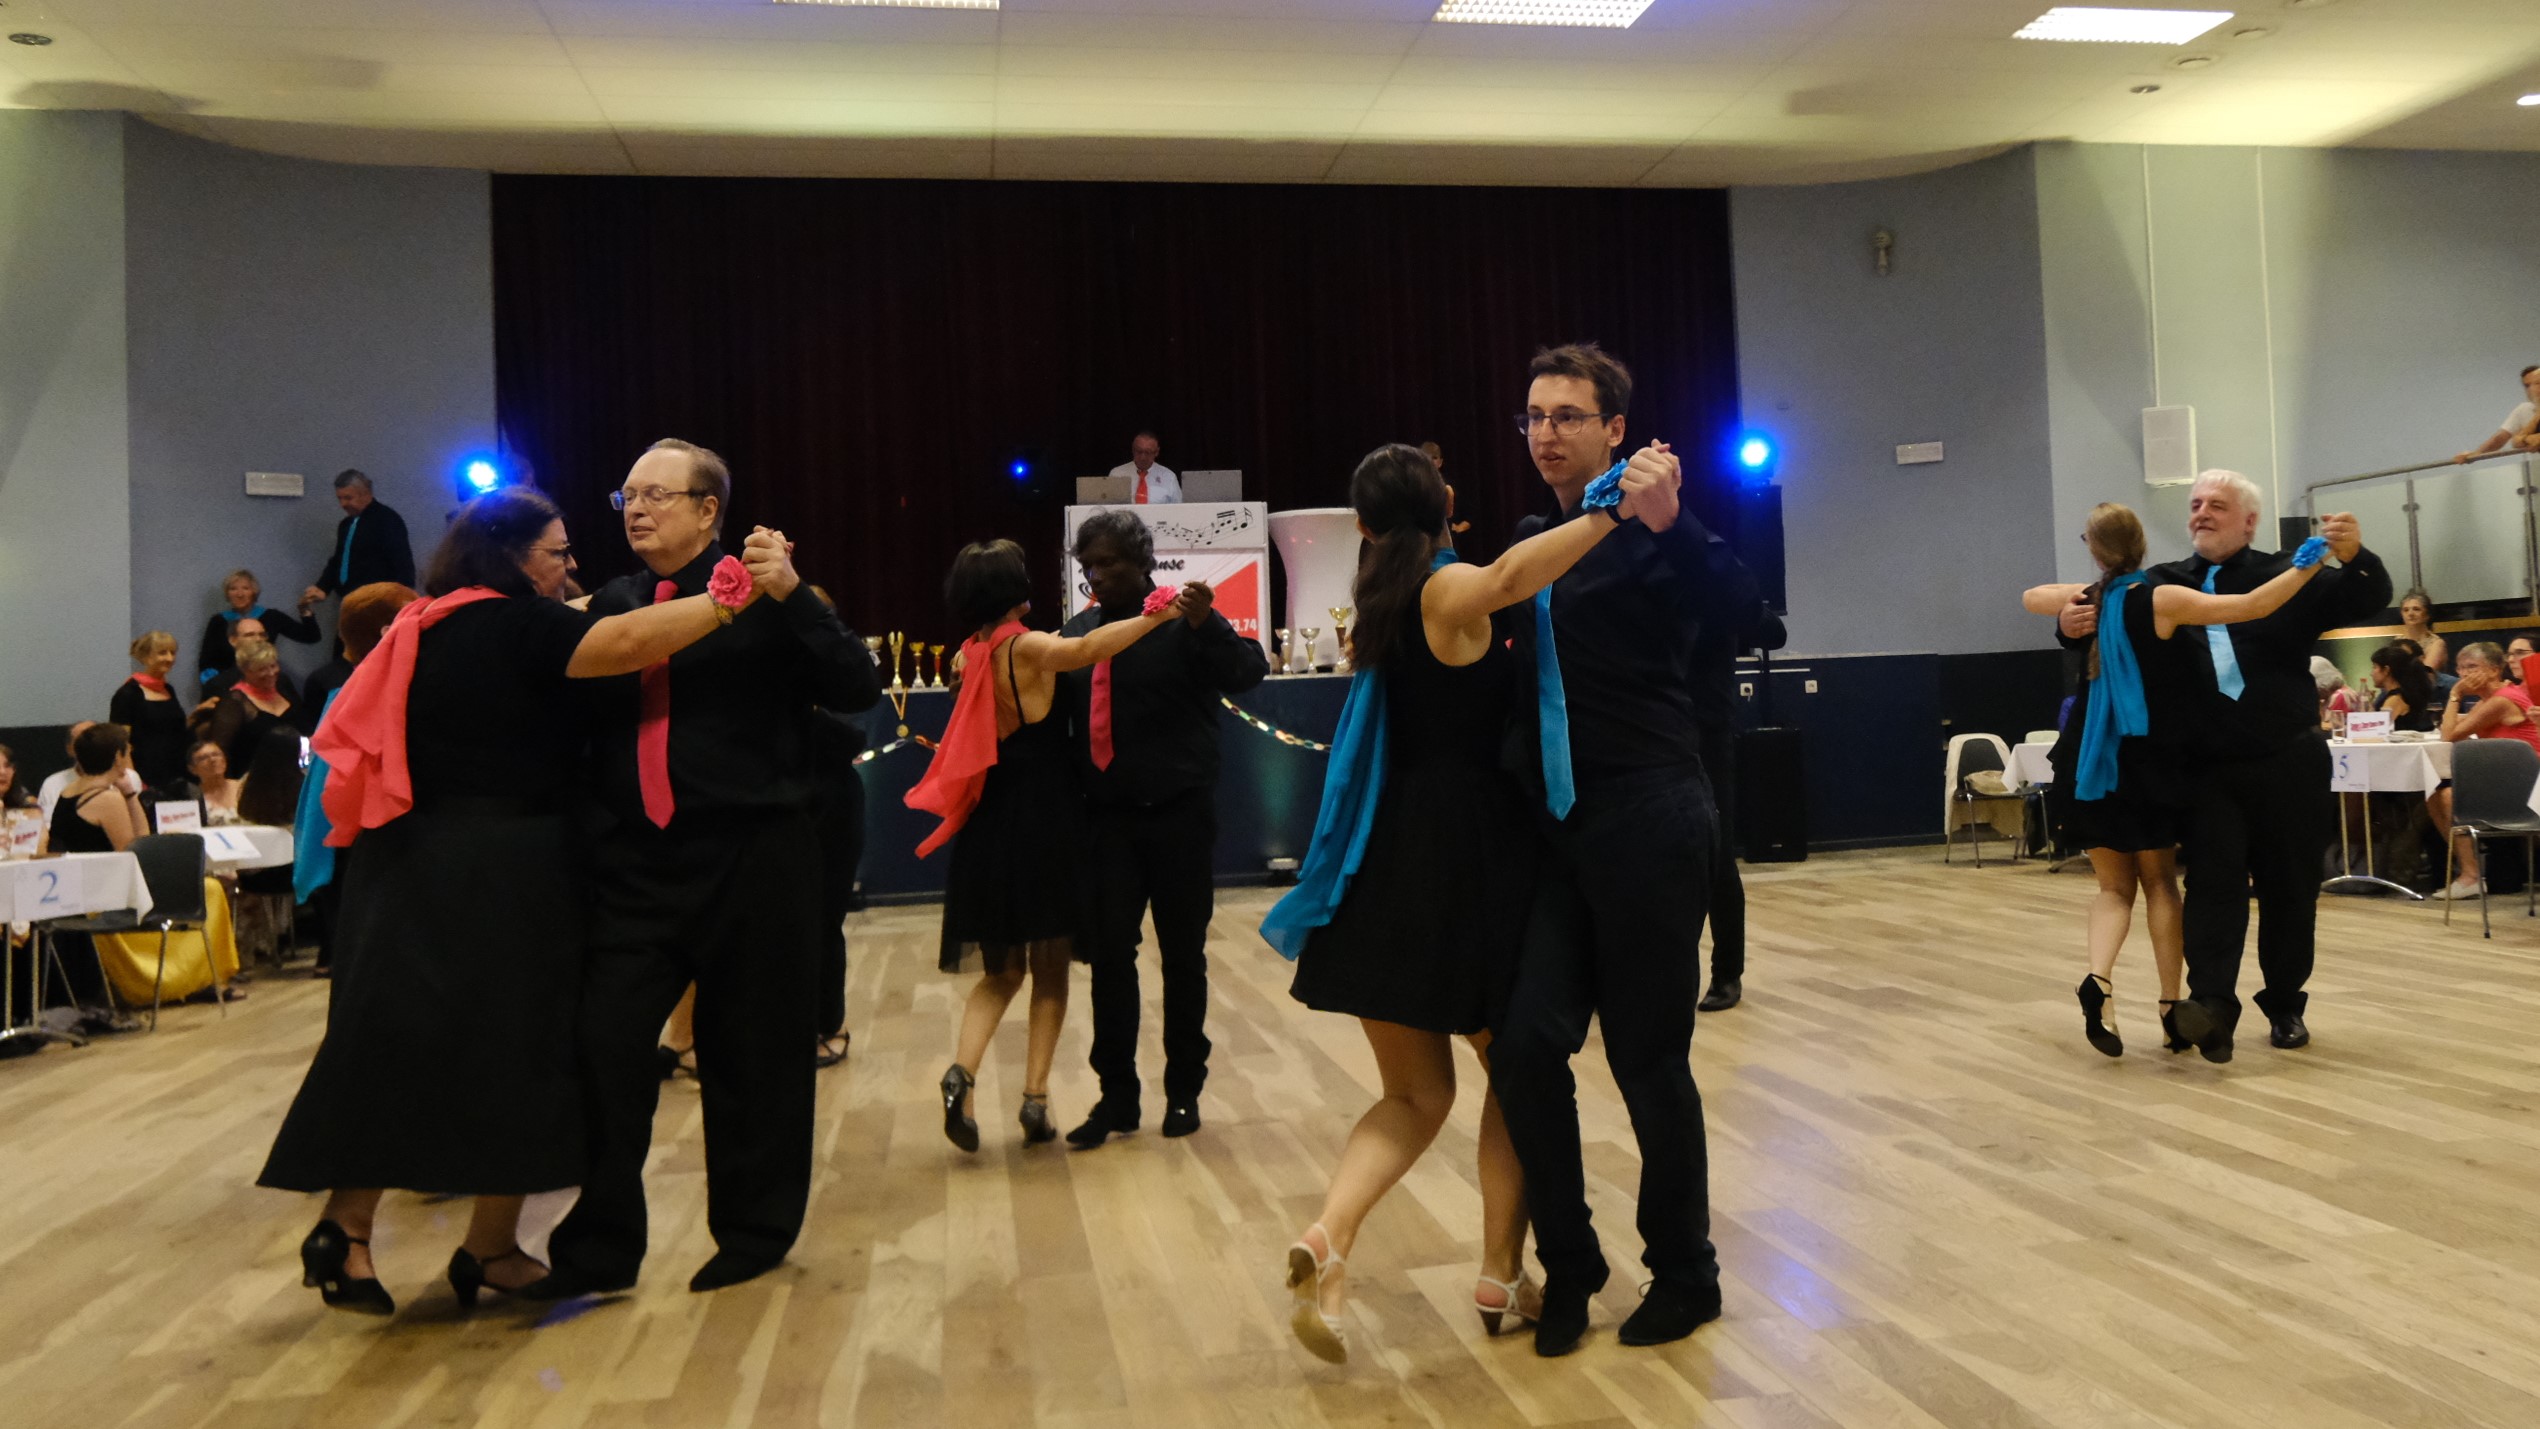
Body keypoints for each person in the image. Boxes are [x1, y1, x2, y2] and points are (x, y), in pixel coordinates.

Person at [258, 484, 759, 1318]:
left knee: (394, 1045)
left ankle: (348, 1230)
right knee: (529, 1048)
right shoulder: (522, 624)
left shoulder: (425, 623)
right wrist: (732, 596)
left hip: (402, 863)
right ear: (514, 557)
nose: (570, 564)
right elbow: (627, 639)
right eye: (558, 551)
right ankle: (488, 1244)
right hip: (505, 866)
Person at [1261, 443, 1660, 1364]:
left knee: (1413, 1094)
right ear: (1444, 501)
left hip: (1384, 863)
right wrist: (1607, 509)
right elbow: (1513, 576)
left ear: (1364, 527)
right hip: (1465, 862)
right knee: (1510, 1071)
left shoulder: (1379, 605)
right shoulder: (1442, 589)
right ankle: (1497, 1269)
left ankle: (1330, 1233)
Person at [535, 438, 880, 1300]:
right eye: (627, 495)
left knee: (754, 1055)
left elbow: (856, 686)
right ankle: (599, 1247)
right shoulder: (614, 603)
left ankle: (755, 1232)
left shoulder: (771, 596)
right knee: (603, 1045)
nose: (637, 509)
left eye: (657, 494)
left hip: (754, 856)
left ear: (708, 510)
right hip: (634, 864)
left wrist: (794, 594)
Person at [1488, 342, 1728, 1357]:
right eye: (1533, 416)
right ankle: (1572, 1260)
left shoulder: (1653, 532)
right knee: (1524, 1043)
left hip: (1649, 815)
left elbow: (1744, 612)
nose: (1545, 433)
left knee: (1646, 1058)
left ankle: (1686, 1271)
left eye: (1567, 416)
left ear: (1614, 429)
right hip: (1556, 827)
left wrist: (1672, 525)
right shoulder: (1532, 539)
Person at [2056, 470, 2389, 1060]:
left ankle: (2284, 1004)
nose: (2201, 513)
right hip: (2208, 766)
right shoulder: (2165, 582)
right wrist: (2065, 625)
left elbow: (2366, 596)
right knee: (2212, 887)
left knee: (2290, 888)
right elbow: (2097, 610)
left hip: (2287, 756)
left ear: (2250, 520)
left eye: (2216, 505)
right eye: (2195, 504)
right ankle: (2211, 1009)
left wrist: (2356, 555)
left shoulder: (2290, 573)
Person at [2021, 502, 2324, 1059]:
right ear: (2142, 544)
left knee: (2112, 890)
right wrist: (2309, 563)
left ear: (2094, 549)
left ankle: (2098, 980)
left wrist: (2066, 613)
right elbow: (2253, 605)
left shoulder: (2095, 597)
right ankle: (2168, 1009)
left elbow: (2031, 596)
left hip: (2090, 762)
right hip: (2148, 764)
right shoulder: (2161, 597)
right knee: (2160, 885)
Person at [911, 540, 1185, 1152]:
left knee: (1000, 973)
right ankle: (1035, 1099)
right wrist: (1156, 615)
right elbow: (1087, 649)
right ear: (1014, 588)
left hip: (989, 823)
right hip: (1046, 819)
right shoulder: (1026, 647)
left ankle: (962, 1073)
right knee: (1051, 971)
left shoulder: (969, 654)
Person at [1057, 510, 1271, 1147]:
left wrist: (1209, 624)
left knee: (1182, 958)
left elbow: (1248, 671)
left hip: (1180, 818)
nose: (1098, 576)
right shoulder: (1079, 634)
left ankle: (1184, 1092)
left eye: (1110, 563)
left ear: (1144, 561)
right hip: (1107, 823)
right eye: (1088, 566)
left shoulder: (1184, 621)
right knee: (1110, 962)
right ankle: (1116, 1098)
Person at [292, 583, 422, 979]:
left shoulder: (385, 684)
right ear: (388, 630)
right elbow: (330, 771)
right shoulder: (351, 691)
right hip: (365, 834)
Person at [806, 585, 866, 1068]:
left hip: (832, 805)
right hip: (787, 806)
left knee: (825, 920)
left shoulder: (842, 669)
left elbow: (852, 735)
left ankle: (830, 1024)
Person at [2430, 641, 2540, 901]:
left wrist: (2455, 694)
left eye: (2472, 667)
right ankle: (2469, 869)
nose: (2464, 674)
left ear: (2494, 670)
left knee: (2448, 796)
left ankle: (2470, 875)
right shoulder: (2486, 701)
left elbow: (2448, 735)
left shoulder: (2502, 700)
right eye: (2460, 668)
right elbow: (2451, 727)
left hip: (2528, 785)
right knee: (2434, 795)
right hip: (2505, 779)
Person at [300, 469, 417, 613]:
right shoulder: (346, 525)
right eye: (339, 498)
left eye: (348, 498)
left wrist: (404, 598)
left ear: (366, 494)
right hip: (350, 601)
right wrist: (323, 587)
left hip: (378, 603)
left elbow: (402, 561)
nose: (343, 504)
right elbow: (339, 560)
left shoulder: (387, 520)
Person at [198, 570, 319, 692]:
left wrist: (304, 609)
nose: (239, 594)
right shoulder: (218, 622)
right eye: (233, 589)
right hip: (228, 686)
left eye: (245, 588)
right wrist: (216, 687)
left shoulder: (272, 617)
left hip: (266, 680)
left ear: (254, 592)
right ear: (227, 594)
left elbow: (311, 636)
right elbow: (207, 662)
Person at [110, 631, 191, 789]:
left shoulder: (169, 689)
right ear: (146, 656)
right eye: (162, 653)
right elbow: (121, 743)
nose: (170, 658)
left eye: (173, 653)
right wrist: (134, 781)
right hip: (145, 775)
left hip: (176, 772)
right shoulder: (128, 694)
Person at [205, 638, 297, 772]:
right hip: (252, 775)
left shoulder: (283, 686)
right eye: (262, 669)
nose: (271, 673)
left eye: (273, 666)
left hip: (291, 770)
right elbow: (219, 749)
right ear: (245, 671)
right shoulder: (235, 701)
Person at [2453, 365, 2540, 464]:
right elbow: (2502, 439)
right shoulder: (2524, 409)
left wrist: (2525, 440)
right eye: (2527, 386)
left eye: (2537, 383)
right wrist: (2475, 455)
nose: (2532, 389)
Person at [2367, 645, 2438, 732]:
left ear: (2386, 670)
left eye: (2374, 667)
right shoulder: (2401, 694)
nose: (2371, 673)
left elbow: (2377, 730)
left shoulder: (2395, 699)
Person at [1107, 431, 1181, 505]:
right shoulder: (1117, 474)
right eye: (1139, 451)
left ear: (1156, 452)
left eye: (1148, 452)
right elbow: (1109, 506)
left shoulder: (1169, 477)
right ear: (1133, 450)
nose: (1143, 457)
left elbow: (1179, 507)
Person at [2398, 589, 2446, 676]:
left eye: (2416, 609)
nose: (2410, 613)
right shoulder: (2398, 641)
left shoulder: (2436, 643)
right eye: (2406, 610)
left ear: (2427, 615)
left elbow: (2425, 675)